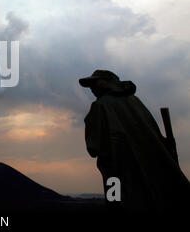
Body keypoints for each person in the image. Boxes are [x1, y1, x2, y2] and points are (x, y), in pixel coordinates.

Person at [79, 70, 190, 212]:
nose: (92, 89)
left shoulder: (100, 105)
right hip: (153, 171)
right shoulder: (135, 101)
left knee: (116, 205)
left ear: (104, 82)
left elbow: (94, 148)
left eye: (93, 84)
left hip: (116, 175)